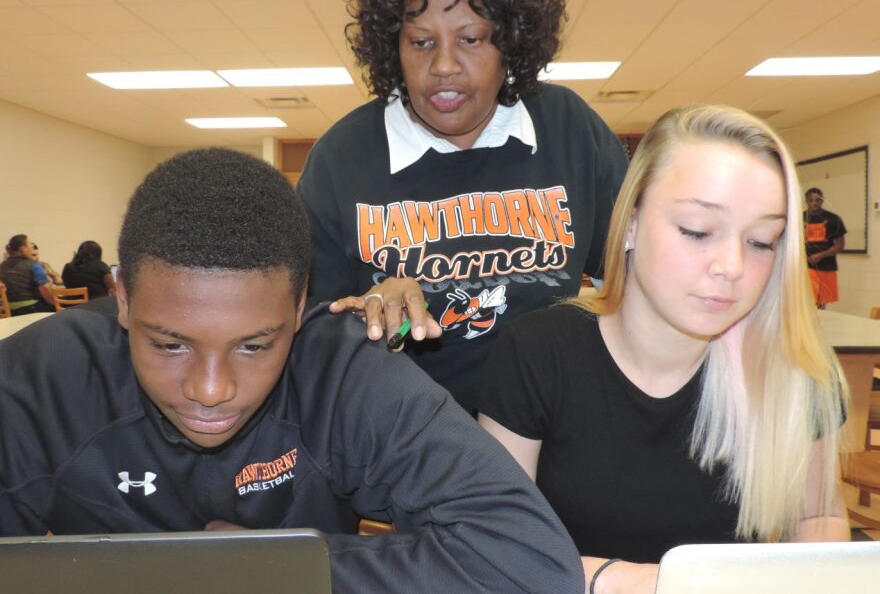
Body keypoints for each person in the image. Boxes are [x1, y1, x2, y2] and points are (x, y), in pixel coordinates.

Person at [0, 148, 584, 594]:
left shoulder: (345, 371)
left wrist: (270, 567)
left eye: (255, 346)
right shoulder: (42, 377)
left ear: (300, 307)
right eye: (170, 345)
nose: (210, 390)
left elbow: (532, 561)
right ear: (123, 299)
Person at [478, 106, 850, 594]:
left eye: (762, 241)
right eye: (697, 230)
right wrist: (640, 583)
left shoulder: (795, 373)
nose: (732, 266)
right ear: (630, 224)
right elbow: (493, 545)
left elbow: (819, 515)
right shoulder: (537, 353)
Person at [298, 0, 628, 411]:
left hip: (551, 437)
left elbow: (638, 286)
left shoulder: (568, 130)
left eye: (471, 39)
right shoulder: (341, 159)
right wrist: (364, 312)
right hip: (401, 449)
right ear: (392, 46)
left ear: (512, 41)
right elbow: (308, 338)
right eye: (421, 41)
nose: (445, 65)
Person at [804, 187, 846, 309]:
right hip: (805, 267)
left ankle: (818, 326)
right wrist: (804, 256)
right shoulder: (798, 218)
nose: (814, 203)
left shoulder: (834, 219)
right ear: (806, 201)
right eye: (811, 200)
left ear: (822, 201)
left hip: (826, 266)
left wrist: (821, 255)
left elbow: (840, 245)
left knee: (821, 304)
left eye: (817, 200)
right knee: (807, 302)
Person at [0, 234, 56, 315]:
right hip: (32, 308)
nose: (32, 247)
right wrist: (54, 303)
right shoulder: (33, 264)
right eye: (30, 244)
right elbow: (44, 288)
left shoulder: (2, 266)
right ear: (23, 249)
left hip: (10, 310)